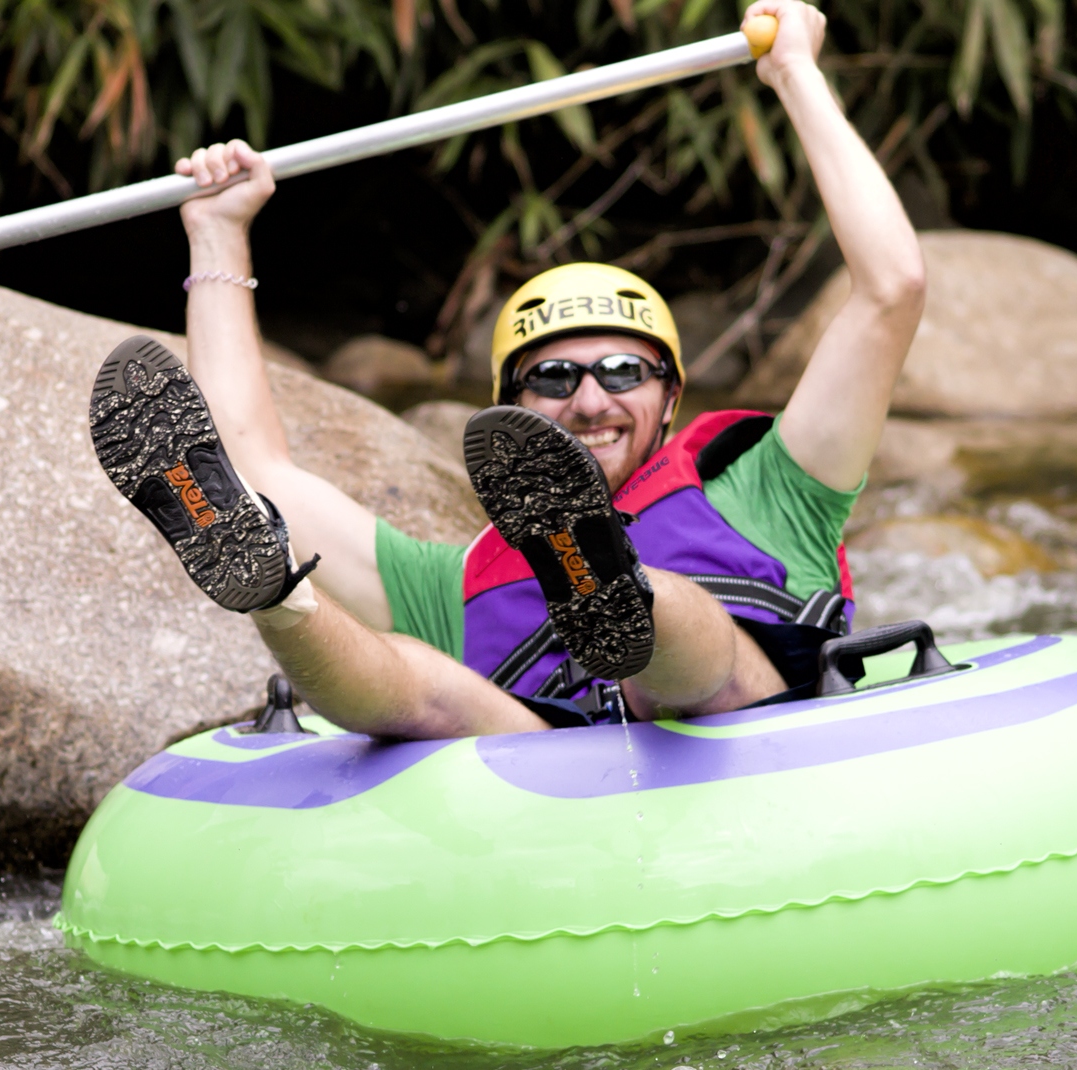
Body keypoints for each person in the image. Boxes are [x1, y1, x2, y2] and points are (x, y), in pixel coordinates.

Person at [88, 0, 925, 737]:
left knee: (699, 645)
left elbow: (892, 291)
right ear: (510, 408)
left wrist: (795, 73)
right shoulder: (462, 579)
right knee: (422, 680)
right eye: (553, 381)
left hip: (743, 717)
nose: (591, 398)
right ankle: (275, 593)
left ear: (672, 398)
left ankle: (613, 582)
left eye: (623, 370)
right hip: (547, 760)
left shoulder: (777, 488)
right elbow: (251, 465)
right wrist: (218, 232)